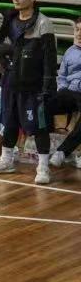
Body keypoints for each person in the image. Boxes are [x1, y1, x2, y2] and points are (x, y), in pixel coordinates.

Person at [0, 0, 59, 185]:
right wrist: (3, 65)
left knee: (39, 127)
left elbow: (50, 58)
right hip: (11, 81)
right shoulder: (9, 21)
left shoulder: (43, 23)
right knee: (9, 122)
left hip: (33, 85)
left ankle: (43, 167)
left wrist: (48, 84)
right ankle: (6, 160)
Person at [50, 16, 81, 168]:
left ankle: (62, 152)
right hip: (69, 92)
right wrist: (62, 89)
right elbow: (62, 76)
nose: (79, 34)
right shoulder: (70, 51)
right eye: (77, 30)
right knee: (43, 105)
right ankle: (43, 149)